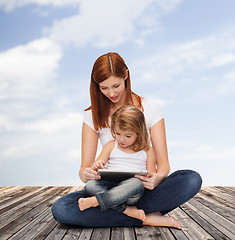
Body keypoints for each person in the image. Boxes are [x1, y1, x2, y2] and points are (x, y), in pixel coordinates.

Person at [52, 52, 202, 228]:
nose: (111, 93)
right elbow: (84, 169)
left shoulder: (151, 108)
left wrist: (157, 178)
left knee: (191, 179)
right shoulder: (91, 116)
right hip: (105, 187)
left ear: (126, 75)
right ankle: (144, 217)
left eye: (115, 85)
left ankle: (114, 210)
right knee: (61, 208)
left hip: (140, 188)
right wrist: (87, 173)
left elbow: (163, 165)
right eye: (104, 88)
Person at [78, 104, 181, 228]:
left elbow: (151, 177)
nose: (122, 139)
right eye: (117, 133)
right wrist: (97, 165)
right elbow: (97, 164)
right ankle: (127, 211)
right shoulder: (111, 145)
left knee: (135, 184)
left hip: (131, 192)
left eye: (128, 136)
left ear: (138, 133)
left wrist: (151, 178)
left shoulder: (148, 151)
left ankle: (95, 202)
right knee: (90, 185)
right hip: (109, 187)